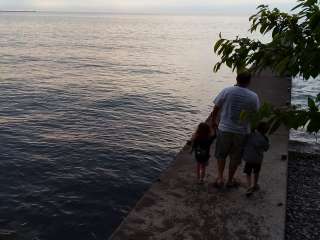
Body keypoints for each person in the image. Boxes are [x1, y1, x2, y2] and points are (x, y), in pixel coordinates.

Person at [211, 70, 260, 188]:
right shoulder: (253, 96)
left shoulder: (227, 91)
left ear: (237, 79)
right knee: (235, 157)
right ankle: (230, 180)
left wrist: (213, 121)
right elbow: (255, 114)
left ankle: (220, 178)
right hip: (242, 132)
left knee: (221, 154)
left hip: (225, 129)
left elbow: (216, 108)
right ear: (249, 82)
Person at [243, 122, 270, 196]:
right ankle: (254, 185)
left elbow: (244, 141)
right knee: (256, 172)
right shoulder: (265, 139)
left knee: (248, 172)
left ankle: (248, 187)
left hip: (248, 158)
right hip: (258, 159)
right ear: (266, 131)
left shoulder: (250, 135)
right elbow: (266, 149)